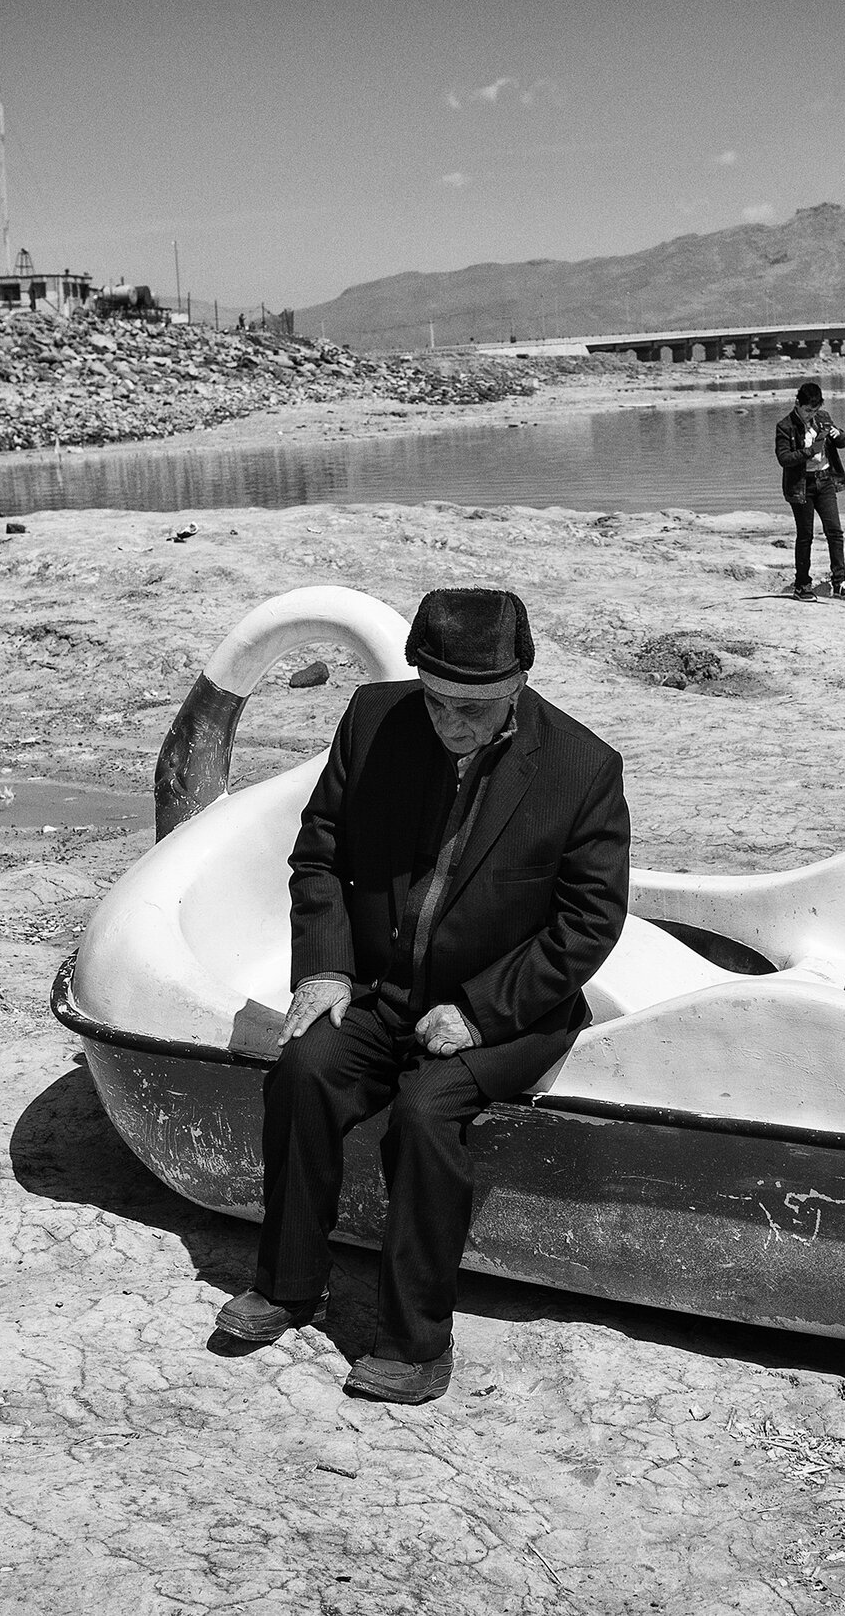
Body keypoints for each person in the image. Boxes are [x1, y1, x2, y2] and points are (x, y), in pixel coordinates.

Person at [212, 588, 630, 1403]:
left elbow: (588, 923)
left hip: (509, 1011)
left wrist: (479, 1010)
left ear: (516, 686)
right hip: (379, 987)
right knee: (303, 1070)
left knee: (424, 1114)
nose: (451, 724)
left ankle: (416, 1341)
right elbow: (320, 852)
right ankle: (292, 1283)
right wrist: (326, 967)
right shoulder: (374, 720)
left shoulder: (583, 768)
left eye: (473, 710)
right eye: (437, 702)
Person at [773, 382, 845, 598]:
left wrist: (838, 435)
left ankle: (839, 582)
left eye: (814, 411)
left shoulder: (824, 418)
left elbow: (843, 443)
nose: (811, 415)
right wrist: (809, 452)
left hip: (825, 481)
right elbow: (784, 458)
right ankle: (802, 586)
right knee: (805, 535)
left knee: (834, 531)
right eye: (808, 410)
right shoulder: (785, 426)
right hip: (801, 486)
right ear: (797, 404)